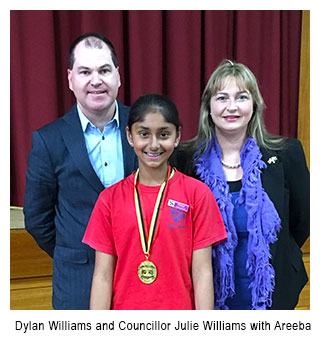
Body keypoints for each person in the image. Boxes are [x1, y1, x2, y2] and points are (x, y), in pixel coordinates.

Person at [173, 59, 310, 310]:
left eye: (242, 97)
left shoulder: (287, 154)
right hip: (204, 299)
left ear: (254, 105)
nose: (232, 107)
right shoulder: (184, 161)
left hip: (273, 296)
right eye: (222, 98)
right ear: (208, 107)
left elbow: (303, 220)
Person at [23, 32, 138, 310]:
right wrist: (73, 251)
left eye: (104, 70)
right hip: (78, 285)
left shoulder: (144, 128)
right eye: (85, 71)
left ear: (118, 77)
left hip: (141, 280)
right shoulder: (48, 140)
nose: (96, 80)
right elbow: (38, 219)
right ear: (70, 78)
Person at [82, 93, 227, 309]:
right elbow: (102, 276)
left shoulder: (197, 194)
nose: (153, 144)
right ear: (130, 136)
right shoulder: (109, 200)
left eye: (164, 134)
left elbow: (203, 272)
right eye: (143, 134)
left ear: (177, 137)